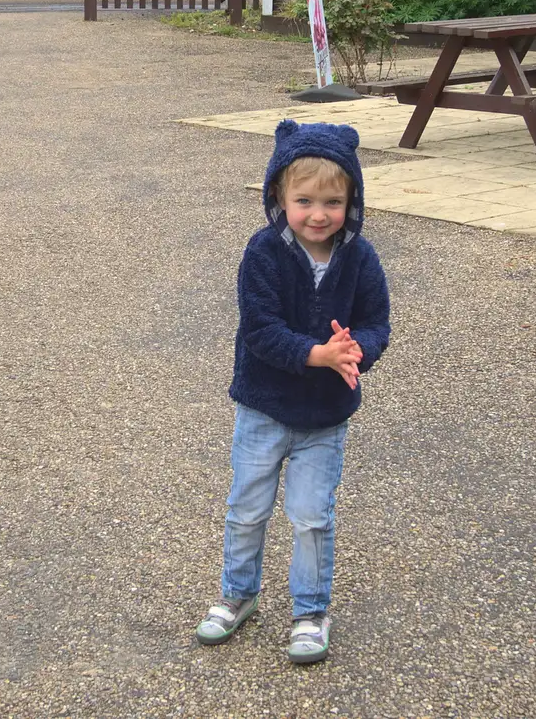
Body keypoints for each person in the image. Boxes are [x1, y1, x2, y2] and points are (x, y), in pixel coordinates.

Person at [196, 119, 391, 664]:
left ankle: (310, 611)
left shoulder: (360, 257)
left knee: (311, 516)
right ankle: (238, 594)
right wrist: (316, 355)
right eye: (303, 200)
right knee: (246, 507)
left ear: (351, 199)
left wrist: (355, 352)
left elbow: (376, 321)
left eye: (332, 200)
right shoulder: (263, 252)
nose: (318, 213)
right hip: (264, 407)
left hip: (324, 416)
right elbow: (260, 329)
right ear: (279, 196)